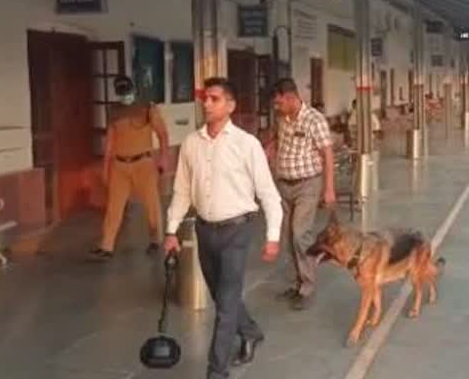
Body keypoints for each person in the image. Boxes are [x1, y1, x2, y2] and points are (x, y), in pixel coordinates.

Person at [163, 77, 283, 379]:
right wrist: (171, 230)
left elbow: (268, 193)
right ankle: (251, 332)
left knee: (226, 303)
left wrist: (272, 237)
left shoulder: (247, 144)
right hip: (205, 231)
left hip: (237, 231)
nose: (207, 103)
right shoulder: (191, 143)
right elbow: (181, 191)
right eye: (205, 98)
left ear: (230, 106)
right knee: (220, 295)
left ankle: (216, 371)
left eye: (214, 99)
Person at [268, 78, 336, 310]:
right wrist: (270, 153)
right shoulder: (282, 119)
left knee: (300, 233)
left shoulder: (314, 120)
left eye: (279, 103)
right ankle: (298, 282)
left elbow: (327, 154)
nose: (277, 107)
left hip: (308, 184)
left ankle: (307, 287)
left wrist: (328, 188)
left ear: (290, 97)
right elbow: (279, 142)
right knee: (289, 236)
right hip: (284, 185)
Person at [91, 75, 169, 260]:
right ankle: (106, 246)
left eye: (127, 91)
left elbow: (162, 134)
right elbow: (110, 142)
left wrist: (164, 158)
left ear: (133, 89)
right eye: (121, 92)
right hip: (119, 165)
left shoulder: (148, 108)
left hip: (143, 164)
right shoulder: (114, 111)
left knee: (151, 205)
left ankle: (155, 240)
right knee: (114, 207)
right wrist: (105, 167)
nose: (125, 95)